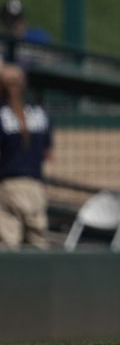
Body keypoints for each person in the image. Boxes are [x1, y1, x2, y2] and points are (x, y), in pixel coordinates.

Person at [0, 65, 53, 250]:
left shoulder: (2, 113)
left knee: (7, 247)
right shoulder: (39, 112)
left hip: (8, 187)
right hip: (36, 188)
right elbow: (47, 153)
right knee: (38, 245)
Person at [0, 0, 52, 66]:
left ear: (23, 19)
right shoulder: (2, 43)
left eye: (18, 19)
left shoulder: (38, 37)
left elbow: (51, 62)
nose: (15, 24)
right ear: (3, 22)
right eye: (10, 19)